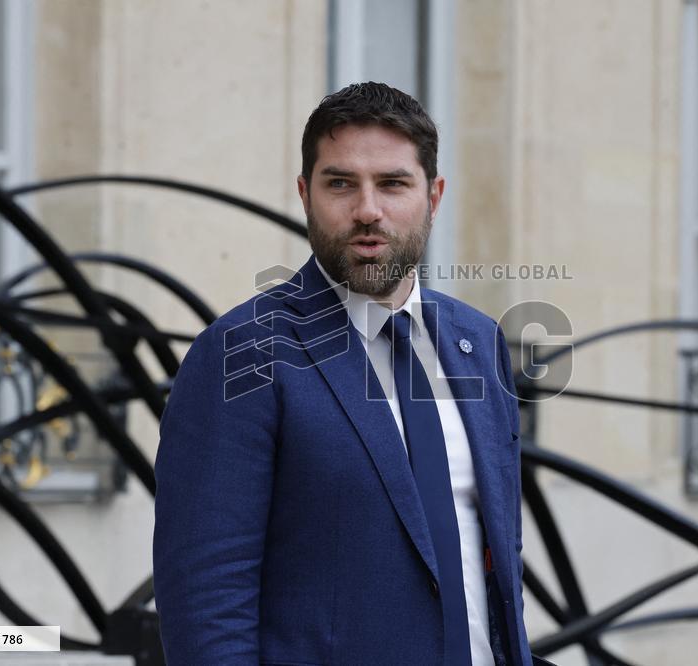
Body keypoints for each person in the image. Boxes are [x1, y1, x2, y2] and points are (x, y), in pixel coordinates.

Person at [153, 82, 546, 665]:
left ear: (433, 197)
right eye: (340, 183)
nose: (367, 209)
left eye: (393, 183)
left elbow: (490, 570)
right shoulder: (242, 351)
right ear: (304, 195)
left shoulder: (478, 342)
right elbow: (208, 602)